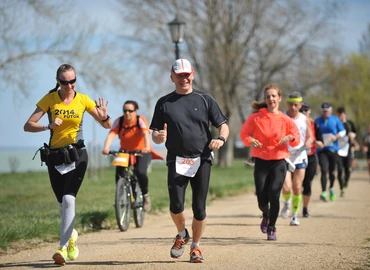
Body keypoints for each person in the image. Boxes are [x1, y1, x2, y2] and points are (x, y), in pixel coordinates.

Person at [23, 64, 112, 266]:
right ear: (58, 81)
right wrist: (48, 126)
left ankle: (61, 248)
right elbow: (28, 126)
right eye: (65, 82)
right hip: (55, 158)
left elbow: (107, 125)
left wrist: (105, 116)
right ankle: (71, 237)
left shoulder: (82, 99)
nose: (69, 85)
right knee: (62, 205)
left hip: (77, 154)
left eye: (73, 81)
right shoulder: (49, 100)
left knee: (69, 199)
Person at [150, 59, 229, 263]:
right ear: (172, 77)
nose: (184, 78)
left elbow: (223, 125)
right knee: (176, 205)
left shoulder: (205, 99)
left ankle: (196, 247)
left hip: (201, 158)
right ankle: (182, 233)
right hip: (176, 159)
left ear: (192, 75)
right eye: (179, 75)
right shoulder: (164, 102)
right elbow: (156, 133)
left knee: (199, 207)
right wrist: (158, 137)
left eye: (187, 74)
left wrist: (220, 139)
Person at [240, 84, 300, 241]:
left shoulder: (286, 119)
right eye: (268, 96)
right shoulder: (256, 118)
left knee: (274, 194)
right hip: (261, 160)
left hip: (279, 161)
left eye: (274, 96)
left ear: (279, 98)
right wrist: (251, 140)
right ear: (265, 99)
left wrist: (290, 138)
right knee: (261, 198)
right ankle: (265, 215)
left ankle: (272, 227)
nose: (271, 99)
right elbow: (244, 134)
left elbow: (296, 137)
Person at [102, 100, 153, 211]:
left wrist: (146, 147)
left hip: (142, 152)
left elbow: (145, 133)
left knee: (140, 172)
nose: (127, 113)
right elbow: (111, 134)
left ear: (135, 111)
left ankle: (145, 196)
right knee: (120, 174)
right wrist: (106, 148)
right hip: (124, 152)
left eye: (130, 111)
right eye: (125, 111)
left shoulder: (140, 120)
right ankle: (120, 196)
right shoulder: (119, 121)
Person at [280, 92, 313, 226]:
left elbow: (310, 136)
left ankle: (294, 216)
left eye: (296, 105)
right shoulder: (282, 117)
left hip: (300, 156)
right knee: (286, 187)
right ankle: (287, 202)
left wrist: (309, 141)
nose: (293, 107)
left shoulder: (305, 119)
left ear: (300, 105)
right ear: (287, 104)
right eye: (291, 104)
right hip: (285, 156)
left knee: (297, 187)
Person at [315, 102, 346, 201]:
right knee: (324, 170)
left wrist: (336, 136)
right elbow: (313, 132)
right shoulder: (318, 120)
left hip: (333, 149)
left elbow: (343, 131)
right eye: (323, 111)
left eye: (327, 111)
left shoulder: (335, 120)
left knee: (332, 172)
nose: (325, 113)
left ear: (331, 110)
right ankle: (324, 192)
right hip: (322, 150)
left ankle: (331, 188)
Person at [299, 102, 324, 217]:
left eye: (306, 110)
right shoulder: (294, 123)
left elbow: (321, 144)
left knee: (307, 183)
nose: (304, 112)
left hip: (311, 157)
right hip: (297, 157)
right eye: (302, 110)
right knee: (297, 184)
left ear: (309, 111)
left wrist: (312, 141)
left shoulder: (315, 125)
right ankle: (293, 206)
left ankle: (305, 208)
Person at [336, 107, 357, 189]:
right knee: (340, 169)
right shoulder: (336, 123)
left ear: (345, 114)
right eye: (339, 115)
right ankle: (341, 186)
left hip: (348, 149)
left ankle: (346, 181)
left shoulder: (350, 123)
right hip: (338, 149)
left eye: (342, 114)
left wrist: (353, 135)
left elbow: (355, 133)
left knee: (347, 169)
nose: (340, 116)